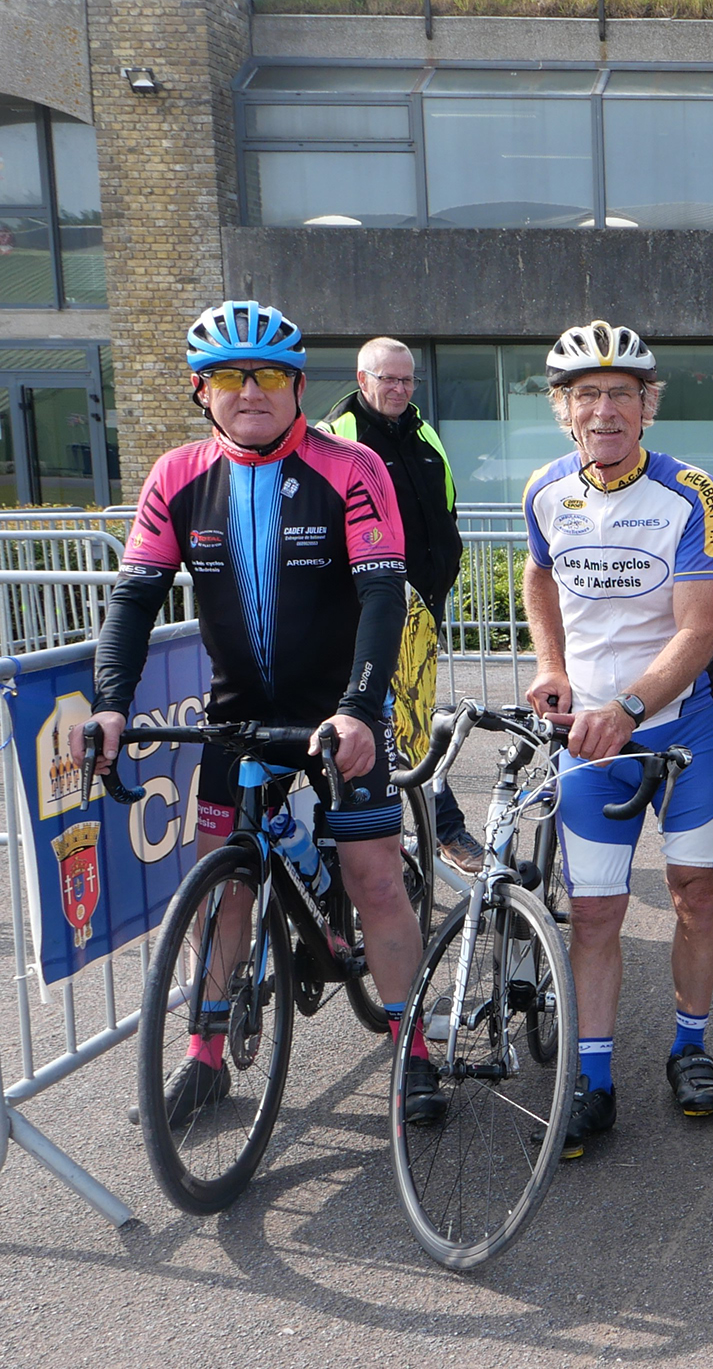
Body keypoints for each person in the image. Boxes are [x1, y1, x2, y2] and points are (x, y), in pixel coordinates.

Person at [77, 301, 439, 1128]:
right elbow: (133, 601)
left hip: (340, 708)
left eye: (269, 374)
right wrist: (110, 706)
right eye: (230, 377)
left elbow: (383, 596)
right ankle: (206, 1055)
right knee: (223, 886)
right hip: (238, 715)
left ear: (298, 387)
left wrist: (359, 708)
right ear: (200, 390)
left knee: (375, 877)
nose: (251, 391)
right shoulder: (177, 476)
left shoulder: (351, 467)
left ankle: (411, 1046)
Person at [522, 320, 713, 1157]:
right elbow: (539, 574)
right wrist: (551, 664)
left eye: (621, 393)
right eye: (587, 395)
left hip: (682, 728)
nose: (604, 410)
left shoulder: (691, 493)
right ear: (564, 409)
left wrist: (630, 707)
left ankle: (689, 1045)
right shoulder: (547, 490)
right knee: (596, 910)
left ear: (647, 404)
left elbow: (696, 630)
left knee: (695, 891)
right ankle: (594, 1076)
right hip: (590, 737)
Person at [319, 337, 485, 875]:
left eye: (407, 379)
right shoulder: (336, 436)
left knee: (411, 723)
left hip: (422, 612)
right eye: (387, 379)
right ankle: (442, 830)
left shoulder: (422, 430)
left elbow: (446, 509)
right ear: (362, 379)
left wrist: (440, 579)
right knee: (400, 724)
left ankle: (417, 835)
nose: (399, 389)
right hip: (372, 612)